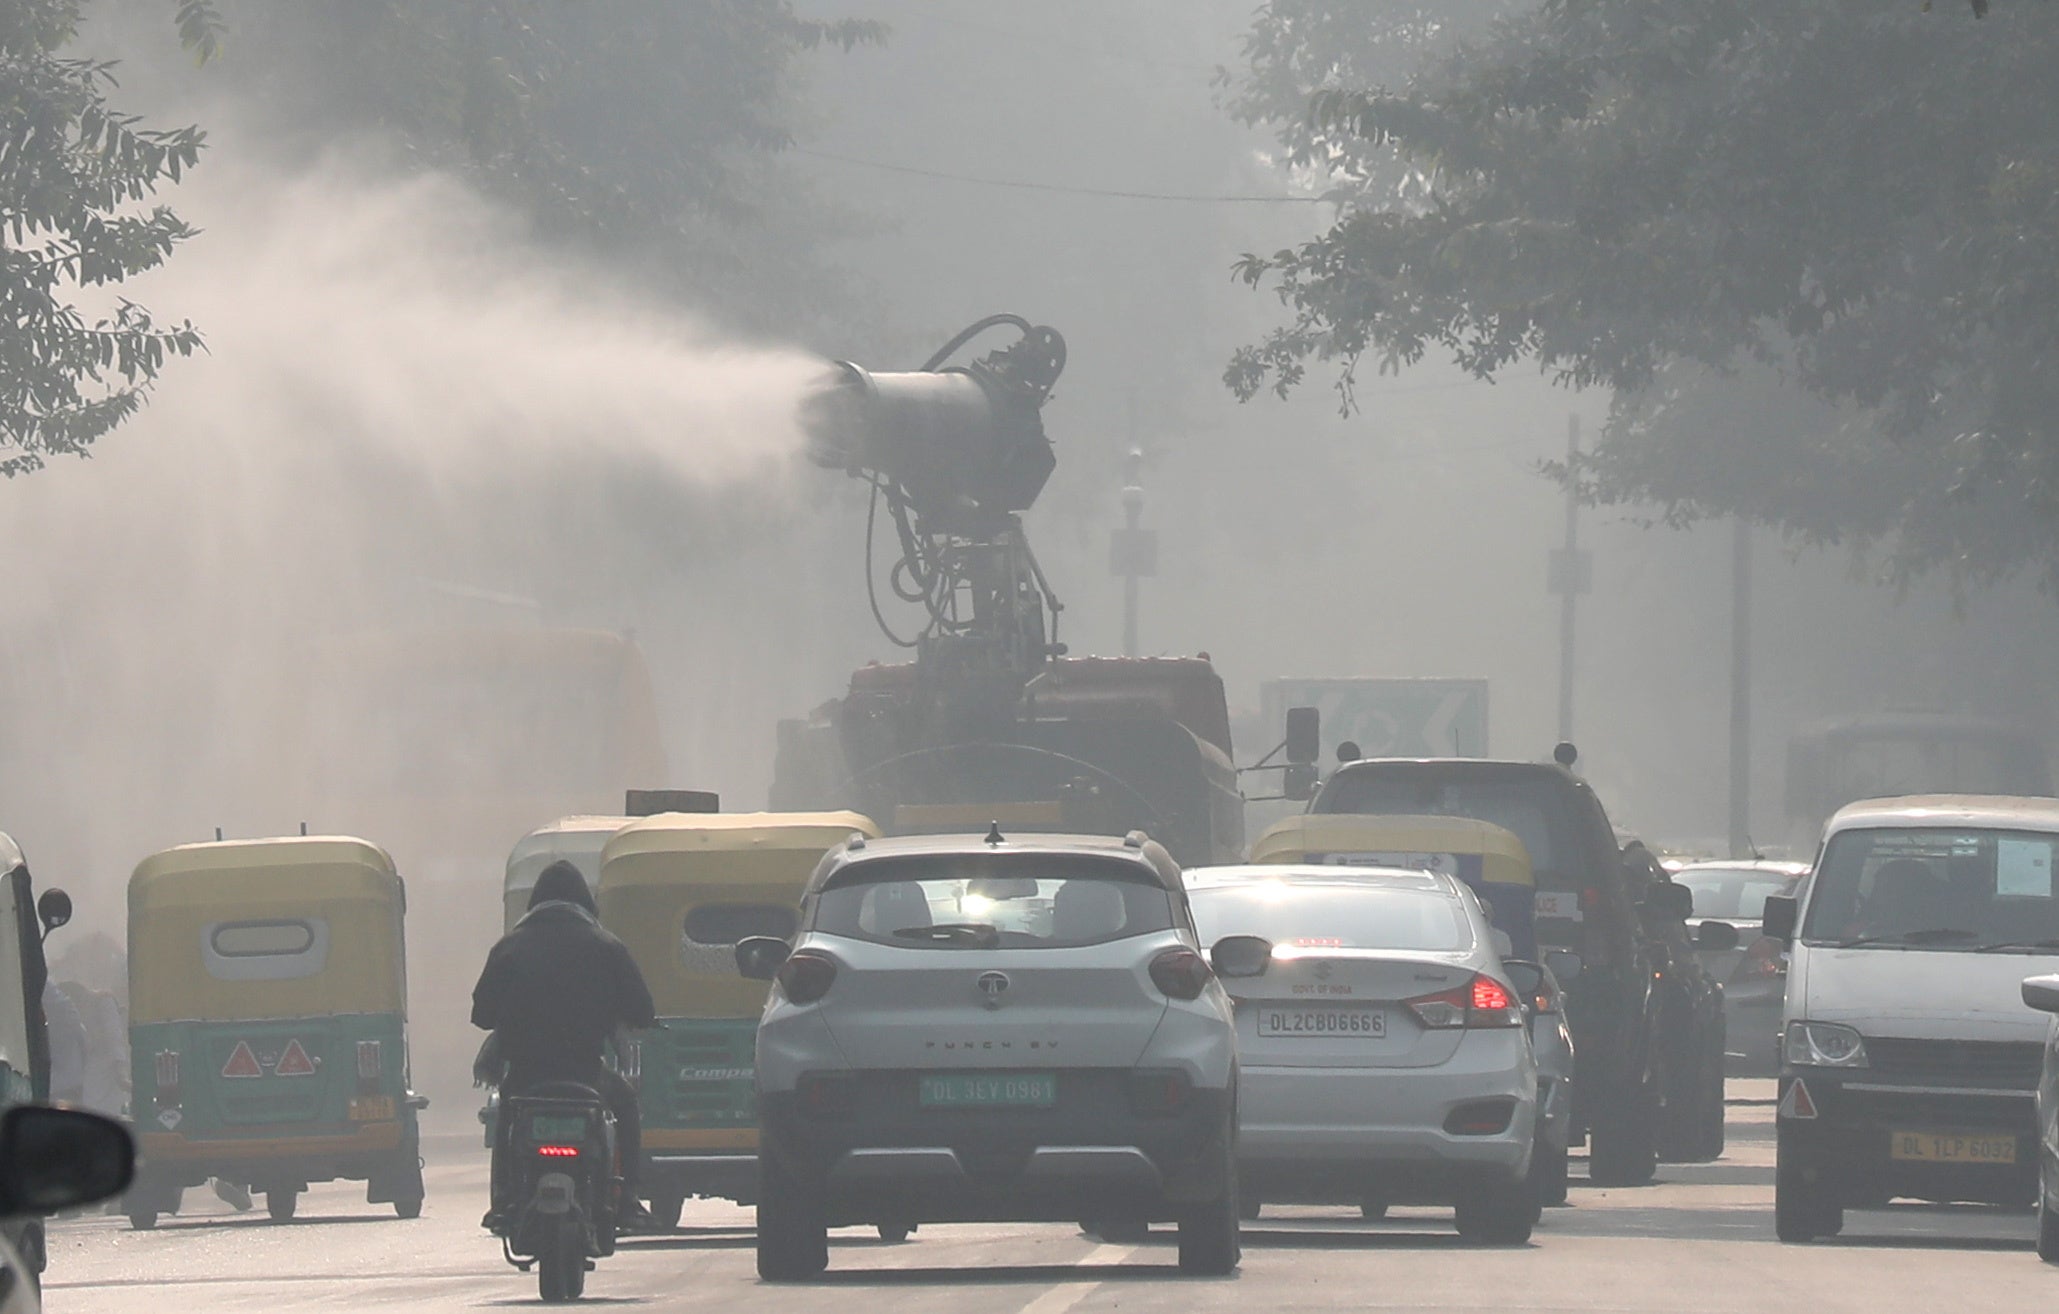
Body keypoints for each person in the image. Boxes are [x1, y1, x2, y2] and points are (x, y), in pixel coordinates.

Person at [472, 860, 656, 1229]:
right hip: (585, 1074)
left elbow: (483, 1015)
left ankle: (505, 1199)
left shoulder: (509, 947)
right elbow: (642, 1010)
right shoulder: (608, 946)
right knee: (626, 1105)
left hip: (527, 1076)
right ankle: (629, 1198)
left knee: (507, 1114)